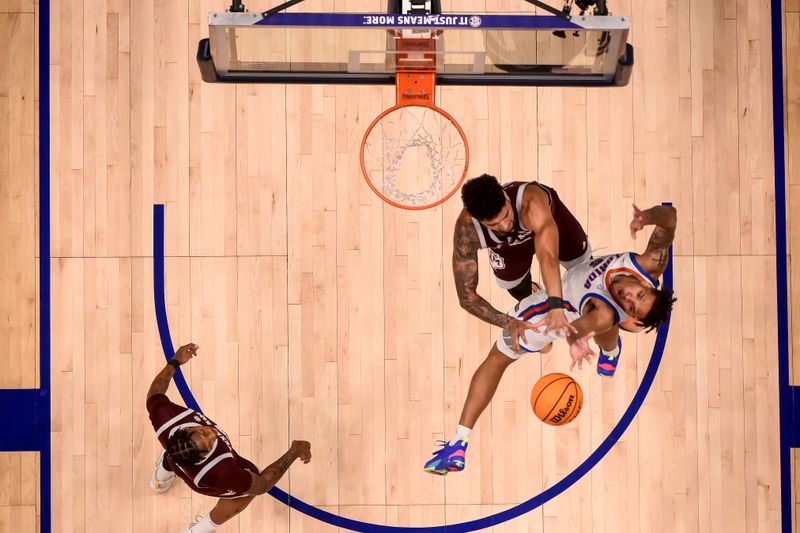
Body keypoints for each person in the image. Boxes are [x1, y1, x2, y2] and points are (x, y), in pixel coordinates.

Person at [425, 204, 677, 475]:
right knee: (605, 321)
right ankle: (611, 350)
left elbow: (586, 324)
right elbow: (670, 220)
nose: (628, 297)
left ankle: (458, 444)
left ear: (629, 313)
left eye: (630, 307)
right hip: (580, 270)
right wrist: (647, 217)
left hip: (556, 314)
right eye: (637, 296)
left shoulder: (604, 313)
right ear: (648, 283)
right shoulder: (650, 263)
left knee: (498, 357)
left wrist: (576, 338)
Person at [147, 343, 312, 532]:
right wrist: (294, 451)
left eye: (202, 432)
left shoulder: (165, 418)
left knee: (172, 456)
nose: (211, 433)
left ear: (182, 431)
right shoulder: (223, 473)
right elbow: (262, 485)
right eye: (209, 443)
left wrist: (175, 361)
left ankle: (159, 480)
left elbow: (155, 391)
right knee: (242, 496)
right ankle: (198, 530)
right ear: (203, 457)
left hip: (177, 458)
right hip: (205, 480)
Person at [453, 174, 592, 353]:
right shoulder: (467, 231)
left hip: (553, 224)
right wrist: (509, 323)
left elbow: (548, 258)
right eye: (493, 224)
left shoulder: (531, 203)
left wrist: (556, 305)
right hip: (507, 246)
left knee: (585, 273)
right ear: (477, 220)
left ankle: (605, 333)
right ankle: (533, 294)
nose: (504, 226)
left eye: (505, 215)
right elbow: (466, 298)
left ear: (505, 196)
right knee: (514, 285)